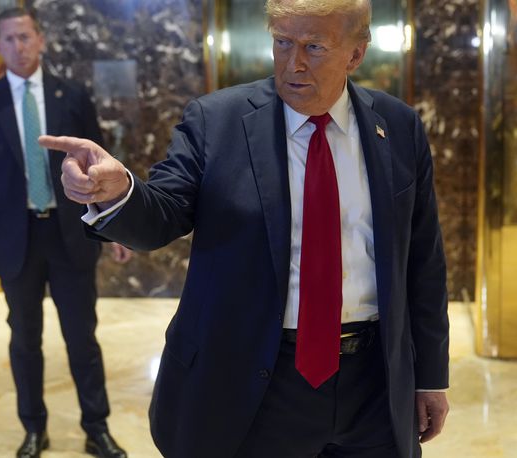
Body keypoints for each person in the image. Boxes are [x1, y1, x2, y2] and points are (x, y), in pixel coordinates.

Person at [41, 0, 449, 456]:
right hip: (256, 378)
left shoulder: (397, 126)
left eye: (314, 47)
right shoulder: (217, 121)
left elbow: (423, 261)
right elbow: (163, 215)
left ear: (356, 54)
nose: (293, 62)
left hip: (372, 383)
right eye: (282, 43)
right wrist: (118, 192)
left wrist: (430, 376)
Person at [0, 7, 129, 458]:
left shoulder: (71, 95)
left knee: (82, 338)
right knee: (25, 340)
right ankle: (34, 429)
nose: (19, 46)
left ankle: (97, 428)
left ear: (41, 39)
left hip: (70, 237)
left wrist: (117, 227)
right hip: (14, 241)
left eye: (26, 37)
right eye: (9, 39)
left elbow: (99, 166)